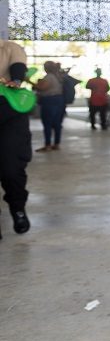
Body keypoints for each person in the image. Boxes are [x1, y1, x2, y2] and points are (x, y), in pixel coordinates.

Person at [0, 39, 32, 237]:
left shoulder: (9, 47)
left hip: (8, 110)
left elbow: (17, 66)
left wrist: (16, 80)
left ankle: (17, 208)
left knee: (11, 168)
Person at [34, 61, 65, 152]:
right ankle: (56, 144)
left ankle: (47, 145)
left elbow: (42, 88)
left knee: (47, 123)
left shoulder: (49, 77)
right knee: (57, 123)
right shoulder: (59, 76)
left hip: (49, 100)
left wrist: (29, 81)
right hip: (59, 100)